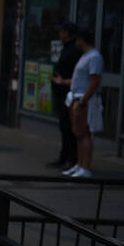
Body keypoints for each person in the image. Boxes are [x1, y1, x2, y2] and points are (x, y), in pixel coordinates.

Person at [62, 28, 103, 178]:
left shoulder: (94, 57)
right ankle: (79, 165)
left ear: (81, 40)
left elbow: (94, 81)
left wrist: (83, 100)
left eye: (77, 40)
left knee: (84, 133)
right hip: (77, 97)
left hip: (83, 100)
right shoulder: (86, 56)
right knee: (78, 133)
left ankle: (85, 167)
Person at [48, 21, 80, 170]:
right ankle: (64, 157)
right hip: (61, 92)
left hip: (68, 93)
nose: (59, 34)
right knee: (64, 127)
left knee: (69, 128)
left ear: (67, 33)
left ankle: (72, 159)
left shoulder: (73, 50)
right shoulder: (66, 48)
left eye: (62, 31)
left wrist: (61, 81)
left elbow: (76, 75)